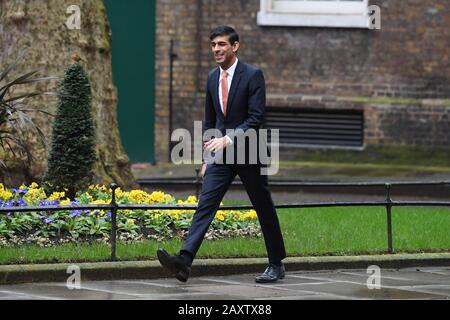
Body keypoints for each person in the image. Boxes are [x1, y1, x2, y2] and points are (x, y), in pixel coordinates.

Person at [157, 26, 286, 283]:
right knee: (206, 204)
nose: (216, 49)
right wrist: (206, 156)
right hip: (220, 155)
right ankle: (183, 261)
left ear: (235, 46)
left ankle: (276, 264)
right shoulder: (211, 78)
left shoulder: (252, 75)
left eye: (222, 44)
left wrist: (228, 138)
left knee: (263, 207)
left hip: (249, 150)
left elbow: (256, 117)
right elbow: (211, 119)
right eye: (213, 45)